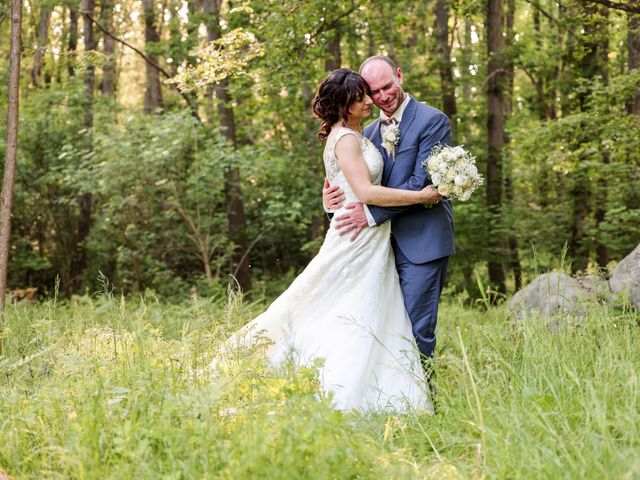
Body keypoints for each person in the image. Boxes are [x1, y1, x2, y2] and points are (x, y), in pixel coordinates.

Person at [212, 68, 441, 412]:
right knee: (342, 309)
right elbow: (364, 190)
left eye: (371, 92)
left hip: (369, 238)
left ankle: (377, 388)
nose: (369, 100)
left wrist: (330, 200)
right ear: (344, 104)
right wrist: (423, 196)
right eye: (361, 96)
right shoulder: (349, 138)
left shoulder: (357, 134)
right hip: (357, 237)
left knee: (360, 310)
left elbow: (343, 186)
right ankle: (339, 388)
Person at [323, 56, 455, 365]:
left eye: (387, 87)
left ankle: (426, 406)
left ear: (400, 74)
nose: (382, 97)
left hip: (421, 242)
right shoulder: (364, 133)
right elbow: (354, 182)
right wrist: (330, 200)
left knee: (416, 329)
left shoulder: (432, 121)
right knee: (377, 326)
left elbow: (420, 186)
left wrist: (371, 215)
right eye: (374, 91)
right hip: (377, 249)